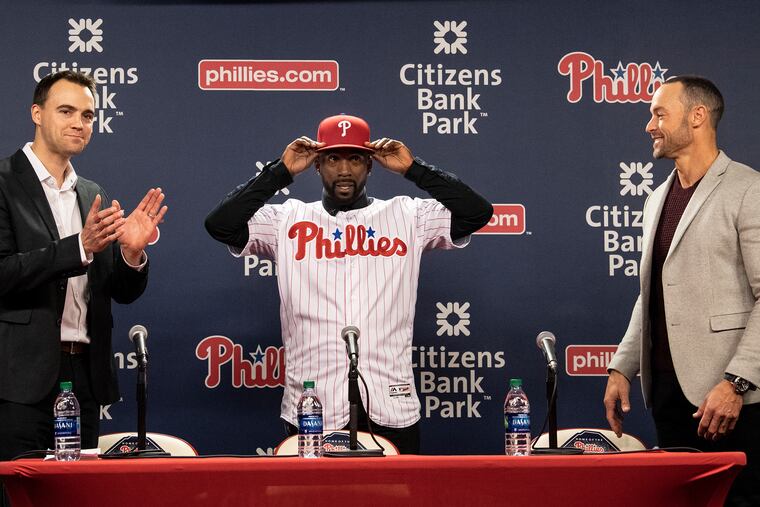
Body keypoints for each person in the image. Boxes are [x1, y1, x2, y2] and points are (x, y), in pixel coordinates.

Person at [205, 114, 492, 453]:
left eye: (355, 158)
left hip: (392, 402)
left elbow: (477, 212)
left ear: (370, 165)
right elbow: (220, 224)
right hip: (311, 407)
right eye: (332, 159)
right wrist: (280, 172)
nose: (344, 170)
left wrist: (413, 169)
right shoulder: (287, 218)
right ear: (316, 164)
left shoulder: (408, 216)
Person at [603, 76, 760, 506]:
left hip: (732, 402)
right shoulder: (656, 199)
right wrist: (622, 367)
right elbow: (651, 293)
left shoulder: (749, 189)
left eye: (658, 114)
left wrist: (737, 382)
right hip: (669, 397)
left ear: (697, 117)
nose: (648, 126)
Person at [0, 71, 168, 467]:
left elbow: (119, 292)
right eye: (67, 111)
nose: (79, 122)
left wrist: (131, 254)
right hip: (19, 380)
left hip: (85, 378)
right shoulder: (3, 182)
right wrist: (79, 247)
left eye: (89, 115)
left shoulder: (92, 193)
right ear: (37, 114)